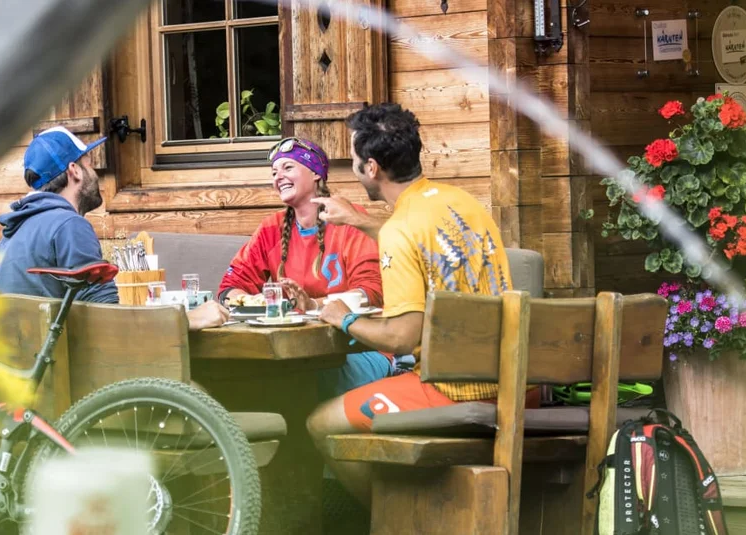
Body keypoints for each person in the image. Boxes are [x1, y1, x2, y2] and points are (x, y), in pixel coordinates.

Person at [306, 103, 540, 505]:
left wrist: (342, 318)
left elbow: (400, 336)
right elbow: (424, 245)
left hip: (461, 391)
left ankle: (388, 523)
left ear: (373, 168)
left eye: (355, 159)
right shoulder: (461, 202)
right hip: (520, 382)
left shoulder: (400, 229)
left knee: (321, 422)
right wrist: (360, 220)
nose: (354, 166)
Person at [0, 126, 228, 331]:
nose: (95, 174)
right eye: (90, 165)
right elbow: (107, 320)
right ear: (74, 171)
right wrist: (187, 319)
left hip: (22, 376)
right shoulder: (68, 225)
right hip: (61, 380)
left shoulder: (14, 230)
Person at [217, 137, 404, 397]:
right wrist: (252, 300)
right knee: (239, 374)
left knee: (293, 381)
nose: (278, 176)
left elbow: (371, 292)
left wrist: (314, 305)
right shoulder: (271, 229)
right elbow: (230, 288)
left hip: (360, 349)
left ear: (316, 173)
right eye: (274, 172)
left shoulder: (349, 219)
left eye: (287, 168)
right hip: (294, 354)